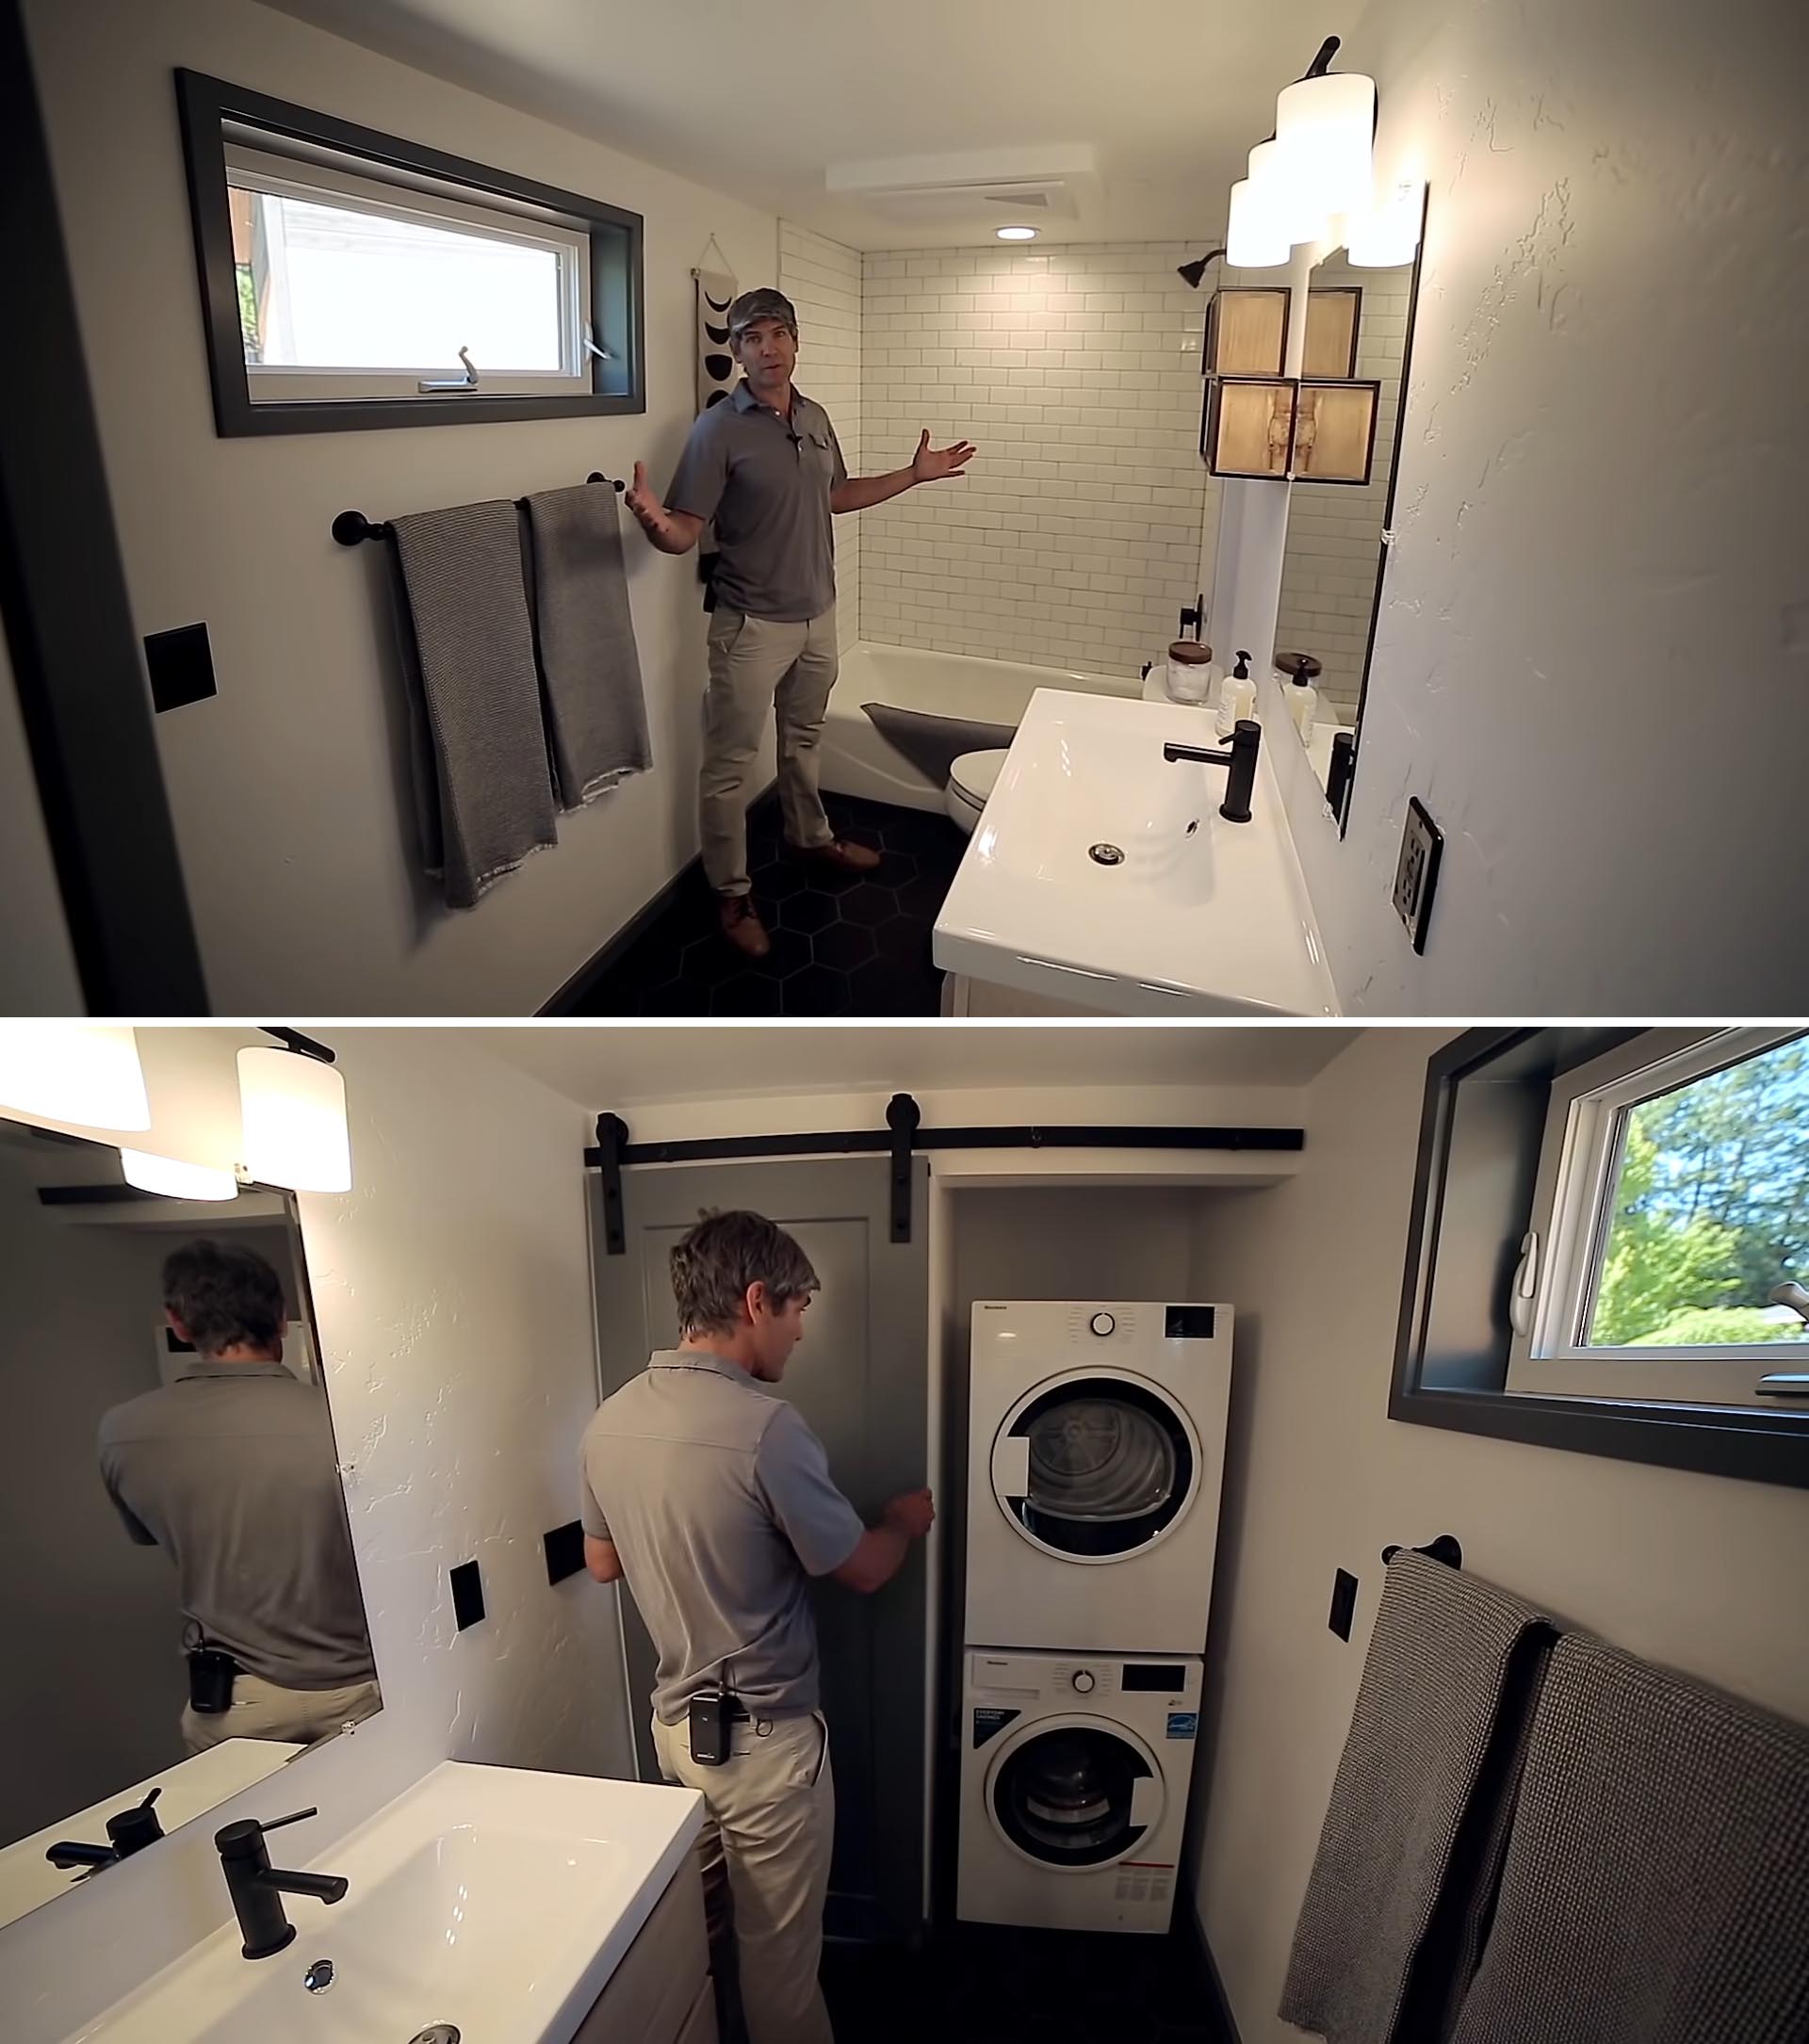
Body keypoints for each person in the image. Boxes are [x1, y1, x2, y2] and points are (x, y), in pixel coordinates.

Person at [579, 1209, 934, 2044]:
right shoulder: (768, 1430)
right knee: (778, 1963)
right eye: (799, 1307)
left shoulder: (609, 1420)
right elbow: (863, 1568)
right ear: (754, 1300)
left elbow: (603, 1564)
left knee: (690, 1937)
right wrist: (901, 1523)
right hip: (765, 1750)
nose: (803, 1331)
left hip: (674, 1733)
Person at [625, 286, 977, 958]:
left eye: (777, 334)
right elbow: (683, 533)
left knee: (803, 740)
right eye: (751, 339)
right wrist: (653, 521)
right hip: (750, 625)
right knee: (729, 767)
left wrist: (914, 474)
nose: (768, 349)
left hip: (819, 617)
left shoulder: (814, 416)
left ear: (795, 340)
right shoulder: (717, 430)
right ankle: (731, 893)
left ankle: (809, 838)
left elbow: (838, 495)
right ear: (736, 354)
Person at [97, 1240, 380, 1754]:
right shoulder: (352, 1423)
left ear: (178, 1323)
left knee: (246, 1835)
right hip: (361, 1687)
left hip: (237, 1702)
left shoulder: (123, 1430)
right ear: (281, 1317)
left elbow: (152, 1534)